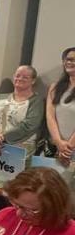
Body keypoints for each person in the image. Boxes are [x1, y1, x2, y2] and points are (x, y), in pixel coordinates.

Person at [0, 65, 43, 157]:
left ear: (33, 80)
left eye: (25, 77)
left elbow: (29, 125)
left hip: (17, 151)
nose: (20, 79)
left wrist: (2, 138)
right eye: (18, 75)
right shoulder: (0, 97)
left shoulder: (36, 101)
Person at [47, 47, 75, 187]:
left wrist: (68, 147)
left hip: (71, 149)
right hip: (56, 147)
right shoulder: (55, 87)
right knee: (51, 192)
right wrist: (58, 142)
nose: (71, 63)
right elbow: (50, 116)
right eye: (69, 59)